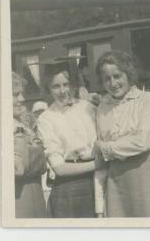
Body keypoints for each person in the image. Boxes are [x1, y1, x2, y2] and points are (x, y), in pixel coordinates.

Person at [93, 50, 150, 217]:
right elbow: (102, 159)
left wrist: (106, 148)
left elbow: (143, 142)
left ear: (128, 74)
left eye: (117, 76)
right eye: (107, 78)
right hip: (116, 182)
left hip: (145, 178)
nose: (113, 82)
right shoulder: (102, 107)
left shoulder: (148, 100)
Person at [37, 67, 103, 218]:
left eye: (66, 84)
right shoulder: (46, 119)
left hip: (101, 179)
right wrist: (97, 165)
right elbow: (59, 168)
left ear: (74, 84)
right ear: (48, 89)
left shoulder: (89, 107)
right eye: (56, 86)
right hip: (72, 187)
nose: (62, 91)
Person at [12, 72, 47, 218]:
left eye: (22, 93)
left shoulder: (24, 125)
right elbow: (18, 168)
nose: (22, 98)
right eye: (15, 94)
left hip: (36, 195)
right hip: (17, 199)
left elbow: (43, 165)